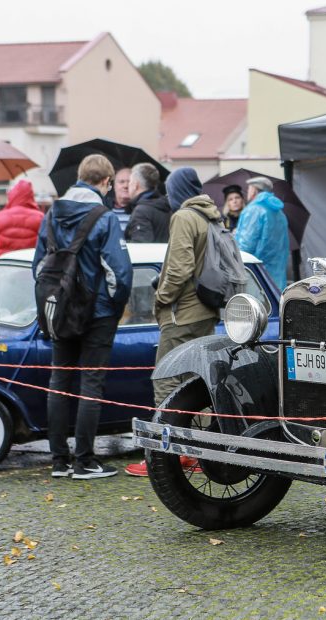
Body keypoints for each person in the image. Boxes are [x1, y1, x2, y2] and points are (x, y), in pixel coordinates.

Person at [33, 154, 132, 480]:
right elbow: (120, 273)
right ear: (105, 182)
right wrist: (112, 310)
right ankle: (85, 461)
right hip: (96, 314)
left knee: (59, 382)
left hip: (59, 311)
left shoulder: (50, 216)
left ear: (78, 177)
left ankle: (59, 461)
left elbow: (38, 269)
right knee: (91, 383)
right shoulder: (103, 217)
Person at [125, 167, 219, 477]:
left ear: (178, 190)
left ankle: (162, 458)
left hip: (181, 315)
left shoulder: (183, 217)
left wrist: (161, 298)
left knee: (165, 383)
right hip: (205, 312)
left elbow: (178, 269)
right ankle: (197, 454)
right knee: (195, 386)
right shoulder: (212, 216)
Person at [234, 176, 289, 290]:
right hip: (277, 276)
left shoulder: (253, 210)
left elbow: (245, 246)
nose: (247, 192)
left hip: (257, 277)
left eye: (249, 189)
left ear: (254, 190)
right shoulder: (279, 212)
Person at [0, 179, 44, 263]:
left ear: (13, 194)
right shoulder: (40, 217)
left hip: (4, 267)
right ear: (31, 195)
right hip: (29, 268)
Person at [124, 163, 170, 243]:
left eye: (130, 182)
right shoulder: (165, 205)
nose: (128, 186)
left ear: (135, 185)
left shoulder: (141, 211)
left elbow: (141, 246)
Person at [110, 167, 132, 233]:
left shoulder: (142, 210)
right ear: (114, 186)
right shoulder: (103, 208)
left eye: (130, 182)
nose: (126, 186)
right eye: (121, 182)